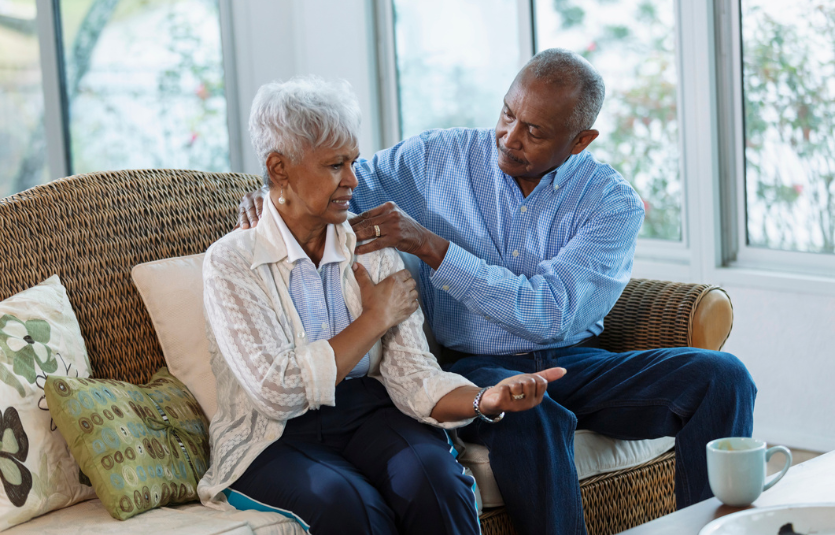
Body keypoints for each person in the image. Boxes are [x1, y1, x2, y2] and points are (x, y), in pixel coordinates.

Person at [235, 49, 757, 535]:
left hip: (577, 363)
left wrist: (433, 247)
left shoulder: (608, 203)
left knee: (723, 378)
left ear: (580, 141)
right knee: (528, 410)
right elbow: (333, 182)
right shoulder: (434, 159)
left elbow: (548, 312)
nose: (509, 137)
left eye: (534, 131)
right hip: (477, 366)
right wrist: (267, 199)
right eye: (507, 114)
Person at [197, 76, 566, 535]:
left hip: (368, 410)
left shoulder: (370, 247)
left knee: (436, 482)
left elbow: (413, 374)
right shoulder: (232, 262)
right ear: (279, 169)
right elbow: (279, 392)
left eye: (352, 161)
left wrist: (483, 399)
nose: (353, 180)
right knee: (347, 503)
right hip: (273, 435)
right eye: (335, 165)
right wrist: (375, 318)